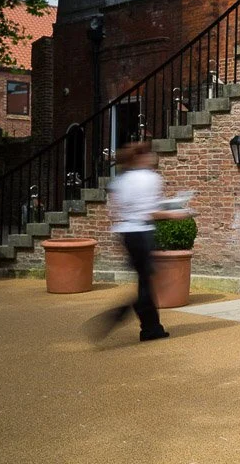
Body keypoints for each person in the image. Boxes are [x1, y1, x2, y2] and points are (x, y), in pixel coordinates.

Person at [100, 141, 174, 341]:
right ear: (143, 157)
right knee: (149, 283)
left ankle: (151, 328)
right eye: (150, 154)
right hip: (142, 233)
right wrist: (176, 214)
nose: (153, 157)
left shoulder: (120, 180)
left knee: (146, 280)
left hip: (126, 233)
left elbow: (114, 211)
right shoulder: (150, 178)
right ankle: (124, 315)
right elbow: (152, 212)